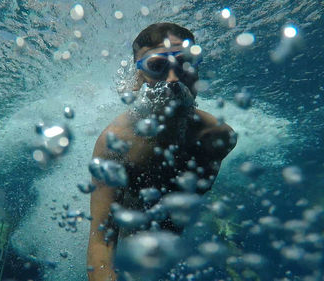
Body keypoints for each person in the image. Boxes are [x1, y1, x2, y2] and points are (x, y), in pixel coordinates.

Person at [87, 23, 237, 281]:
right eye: (157, 66)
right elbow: (102, 240)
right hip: (129, 228)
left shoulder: (219, 137)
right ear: (138, 78)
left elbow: (191, 201)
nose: (173, 79)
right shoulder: (115, 143)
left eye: (185, 63)